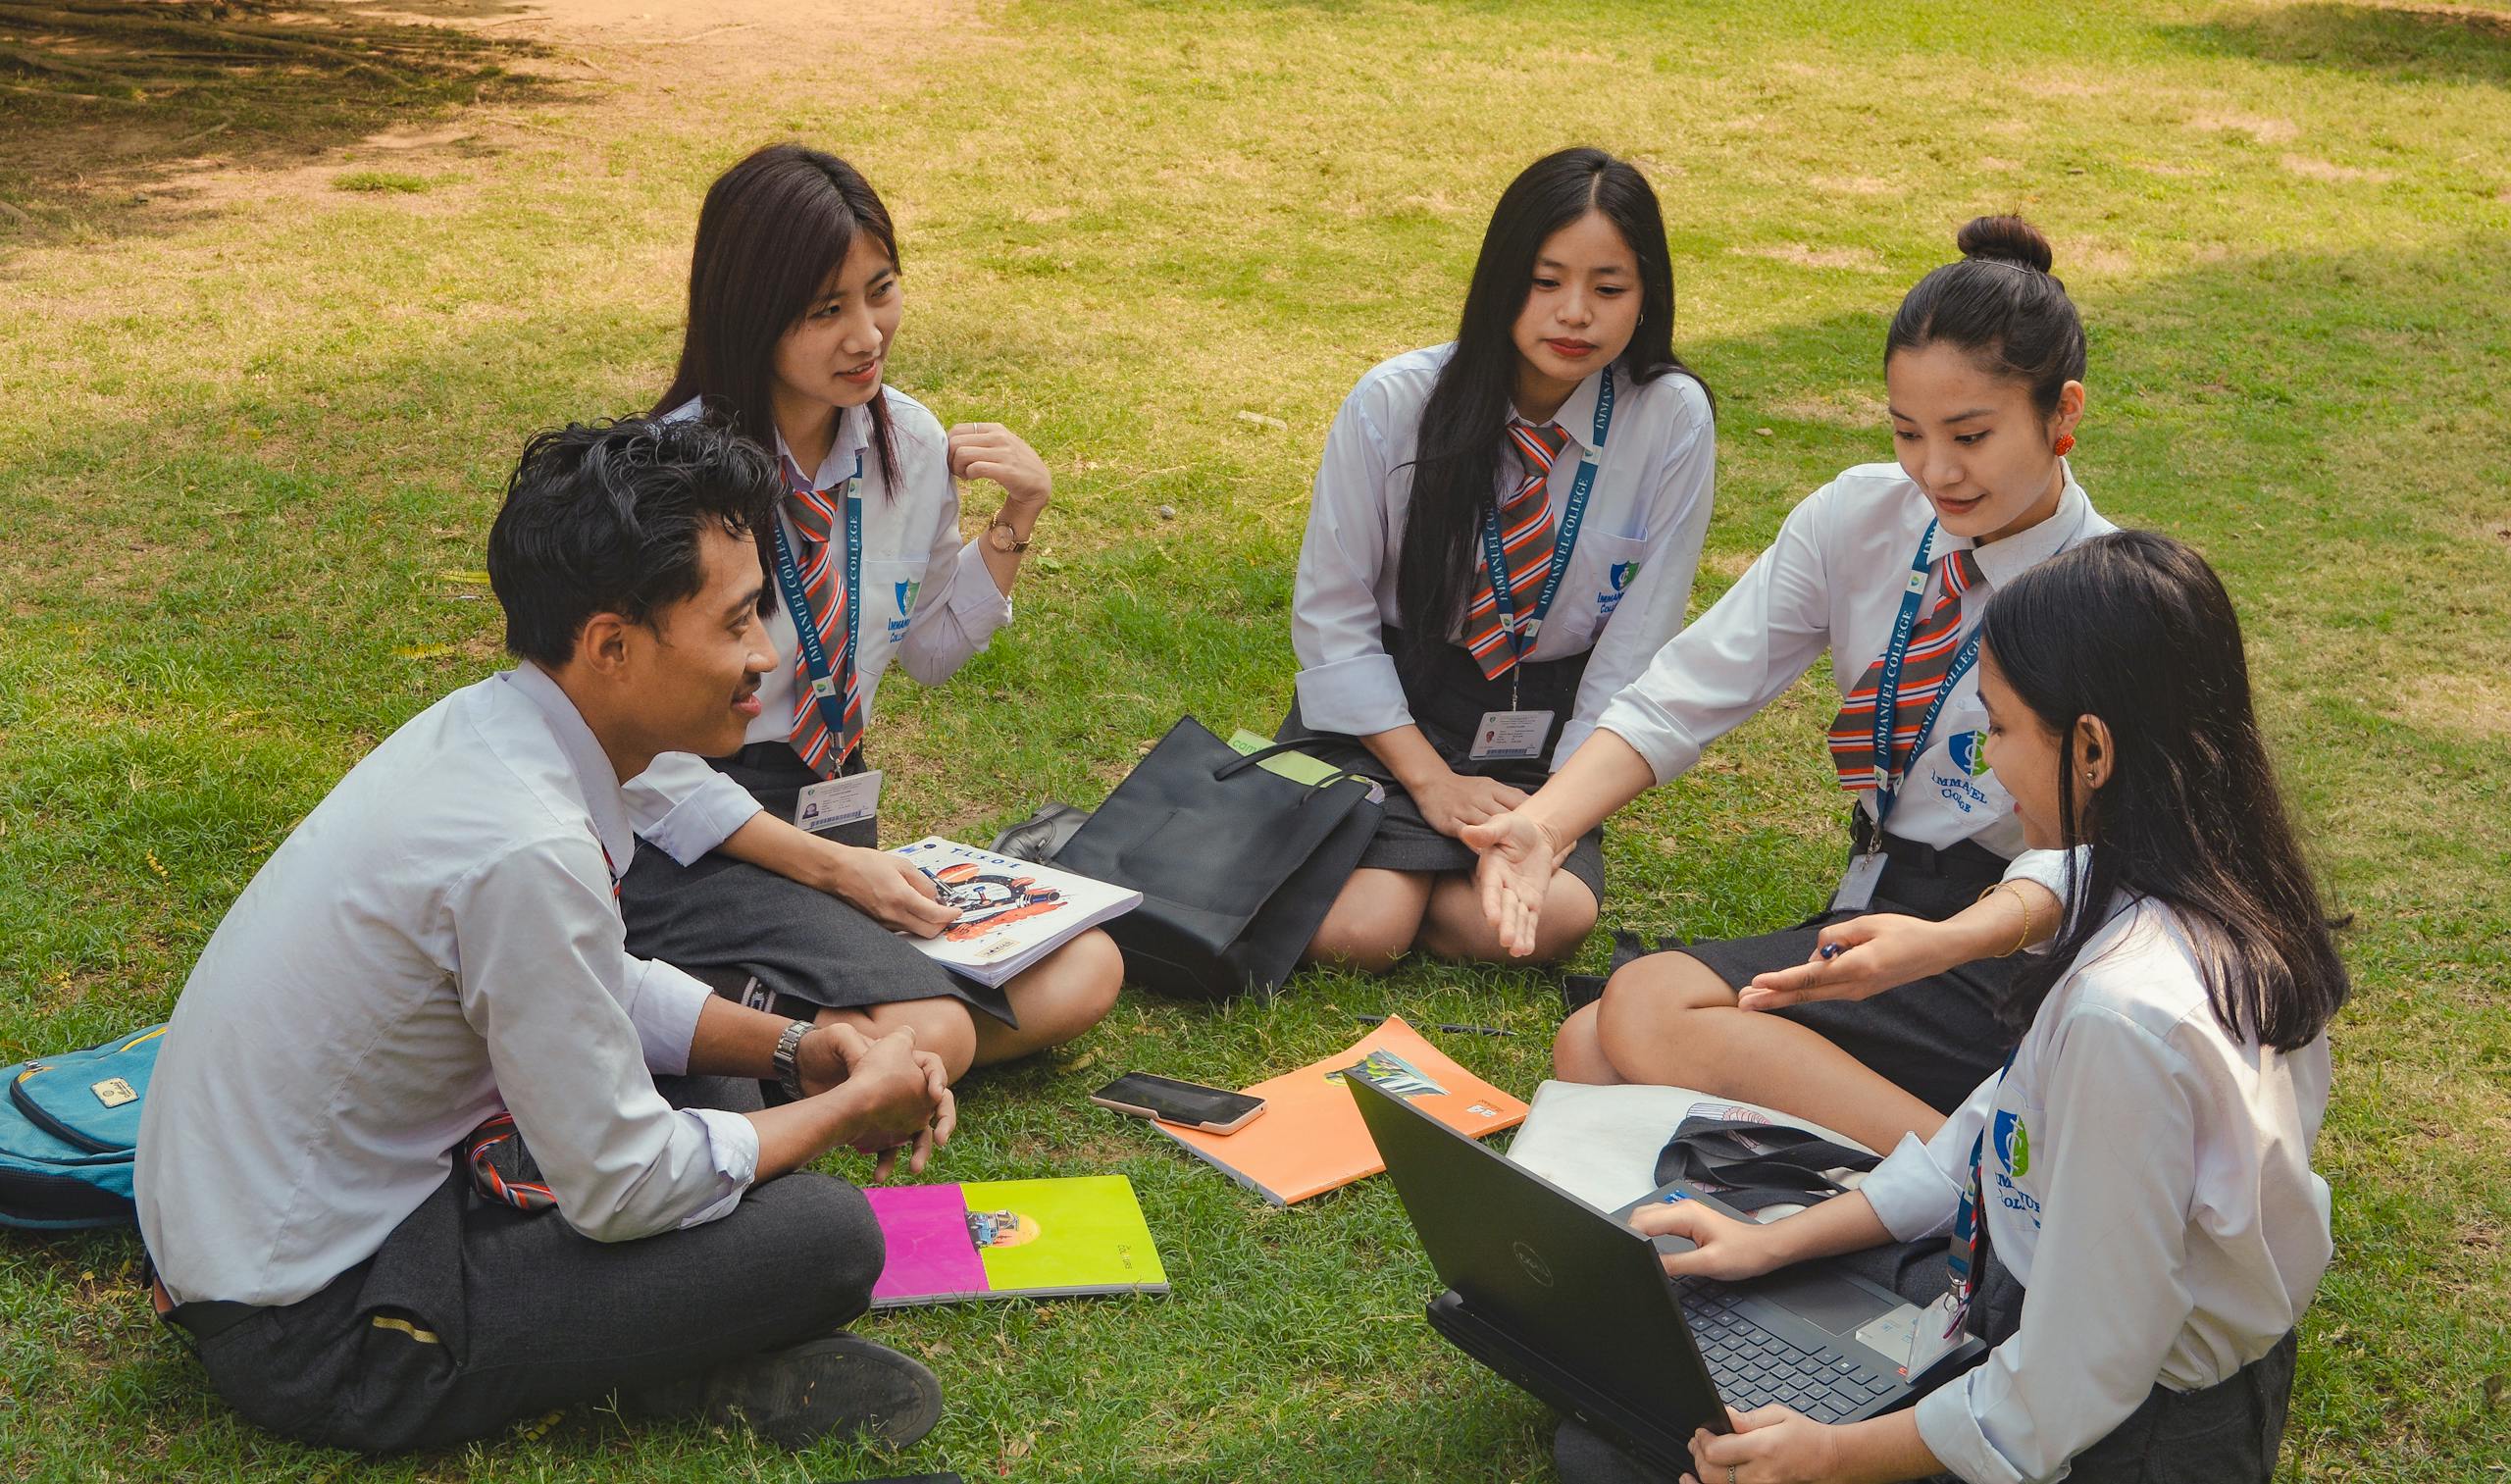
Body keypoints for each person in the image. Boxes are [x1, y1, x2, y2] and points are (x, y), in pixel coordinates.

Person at [135, 419, 959, 1454]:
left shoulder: (490, 727)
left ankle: (655, 1338)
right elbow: (624, 1186)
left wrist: (797, 1047)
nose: (765, 656)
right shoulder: (522, 845)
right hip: (317, 1327)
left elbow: (590, 982)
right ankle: (661, 1360)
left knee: (726, 1090)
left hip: (297, 1220)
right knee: (826, 1239)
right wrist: (841, 1108)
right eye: (738, 619)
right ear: (611, 645)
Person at [1557, 531, 2346, 1484]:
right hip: (2028, 1325)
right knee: (1658, 1396)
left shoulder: (2124, 1019)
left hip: (2118, 1441)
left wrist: (1827, 1456)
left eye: (2000, 729)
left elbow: (2058, 1394)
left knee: (1628, 1454)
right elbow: (1987, 1140)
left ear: (2091, 748)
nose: (1991, 764)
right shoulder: (2195, 886)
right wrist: (1772, 1244)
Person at [1471, 216, 2110, 1154]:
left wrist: (1963, 934)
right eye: (1907, 431)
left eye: (1971, 435)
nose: (1936, 469)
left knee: (1640, 1015)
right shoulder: (1860, 516)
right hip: (1881, 899)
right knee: (1589, 1047)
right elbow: (1685, 692)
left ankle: (1967, 1184)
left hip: (2015, 940)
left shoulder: (2107, 589)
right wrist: (1546, 824)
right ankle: (1922, 1164)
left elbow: (2146, 859)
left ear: (2064, 415)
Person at [624, 142, 1120, 1080]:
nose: (867, 334)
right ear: (750, 313)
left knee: (1090, 967)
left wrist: (1014, 524)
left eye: (880, 290)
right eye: (825, 310)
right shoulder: (667, 474)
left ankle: (795, 1025)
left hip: (835, 808)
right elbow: (641, 767)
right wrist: (838, 871)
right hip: (694, 835)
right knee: (937, 1033)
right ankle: (745, 1016)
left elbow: (928, 651)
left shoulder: (912, 442)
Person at [1279, 146, 1717, 972]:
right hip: (1393, 706)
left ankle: (1426, 879)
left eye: (1609, 287)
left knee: (1541, 925)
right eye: (1545, 281)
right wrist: (1433, 785)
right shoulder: (1394, 402)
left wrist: (1553, 815)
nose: (1575, 314)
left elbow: (1633, 650)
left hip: (1540, 728)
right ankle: (1403, 877)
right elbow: (1332, 620)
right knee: (1357, 933)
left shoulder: (1672, 417)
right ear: (1498, 279)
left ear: (1647, 294)